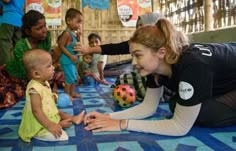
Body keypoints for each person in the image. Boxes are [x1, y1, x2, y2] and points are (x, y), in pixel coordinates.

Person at [83, 18, 236, 136]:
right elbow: (148, 107)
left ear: (161, 52)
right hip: (226, 80)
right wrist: (108, 116)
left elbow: (180, 127)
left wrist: (122, 124)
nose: (134, 63)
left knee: (201, 114)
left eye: (138, 55)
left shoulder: (193, 65)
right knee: (177, 105)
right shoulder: (154, 67)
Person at [18, 49, 85, 142]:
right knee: (63, 136)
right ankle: (57, 125)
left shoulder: (44, 82)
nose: (53, 67)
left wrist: (57, 97)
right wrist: (50, 125)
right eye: (49, 66)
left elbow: (47, 97)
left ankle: (74, 119)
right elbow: (36, 111)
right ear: (37, 74)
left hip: (46, 113)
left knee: (59, 112)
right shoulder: (34, 89)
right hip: (38, 121)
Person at [0, 10, 61, 109]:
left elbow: (46, 62)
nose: (44, 30)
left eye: (44, 26)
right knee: (10, 95)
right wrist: (45, 87)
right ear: (28, 31)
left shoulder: (46, 38)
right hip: (19, 76)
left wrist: (52, 86)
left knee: (59, 75)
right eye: (39, 28)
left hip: (38, 73)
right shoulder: (20, 47)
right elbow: (27, 74)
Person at [58, 8, 83, 100]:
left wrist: (79, 37)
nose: (79, 25)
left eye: (80, 23)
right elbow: (60, 45)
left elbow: (78, 45)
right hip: (67, 60)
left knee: (73, 76)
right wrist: (70, 55)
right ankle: (66, 95)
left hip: (73, 60)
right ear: (69, 21)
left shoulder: (73, 34)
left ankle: (72, 92)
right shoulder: (67, 34)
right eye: (78, 22)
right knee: (69, 77)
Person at [0, 0, 25, 66]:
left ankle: (5, 70)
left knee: (4, 46)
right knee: (18, 47)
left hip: (8, 20)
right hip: (19, 21)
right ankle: (20, 68)